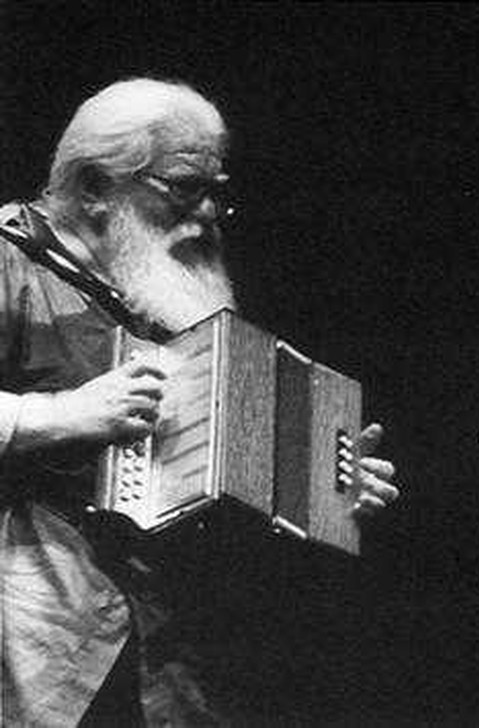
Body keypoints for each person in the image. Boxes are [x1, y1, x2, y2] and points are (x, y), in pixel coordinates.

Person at [0, 77, 399, 726]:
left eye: (218, 191)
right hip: (41, 640)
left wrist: (328, 487)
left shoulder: (158, 281)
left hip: (178, 649)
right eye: (185, 188)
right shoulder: (9, 259)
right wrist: (62, 416)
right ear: (95, 188)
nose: (208, 214)